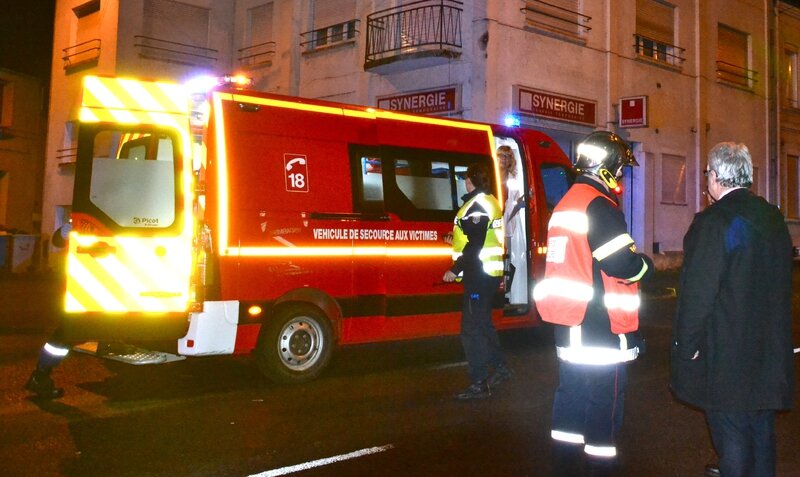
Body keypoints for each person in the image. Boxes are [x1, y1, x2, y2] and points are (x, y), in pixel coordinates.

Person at [671, 142, 794, 477]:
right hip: (768, 353)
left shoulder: (713, 223)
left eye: (707, 174)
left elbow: (698, 294)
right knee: (761, 434)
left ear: (715, 177)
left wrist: (687, 345)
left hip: (728, 356)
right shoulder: (772, 218)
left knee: (733, 436)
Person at [533, 131, 652, 476]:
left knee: (569, 403)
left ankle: (565, 468)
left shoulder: (567, 202)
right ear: (606, 167)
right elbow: (622, 264)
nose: (620, 177)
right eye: (619, 169)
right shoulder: (598, 205)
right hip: (600, 328)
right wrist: (647, 264)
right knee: (604, 410)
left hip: (570, 325)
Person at [443, 162, 513, 400]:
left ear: (470, 180)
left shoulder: (478, 205)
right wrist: (453, 239)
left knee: (471, 329)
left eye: (465, 178)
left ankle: (479, 382)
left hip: (478, 276)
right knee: (483, 324)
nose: (465, 181)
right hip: (486, 275)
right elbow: (477, 237)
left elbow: (476, 245)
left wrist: (455, 269)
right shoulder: (489, 201)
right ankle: (501, 368)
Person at [25, 222, 72, 399]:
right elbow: (58, 240)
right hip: (78, 287)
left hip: (87, 286)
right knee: (66, 334)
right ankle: (40, 376)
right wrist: (63, 233)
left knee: (68, 334)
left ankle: (40, 376)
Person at [497, 145, 527, 306]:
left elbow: (513, 206)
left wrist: (519, 204)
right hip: (492, 221)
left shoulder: (512, 180)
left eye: (508, 156)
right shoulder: (491, 175)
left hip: (506, 225)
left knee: (505, 259)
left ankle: (505, 292)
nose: (504, 158)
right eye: (501, 155)